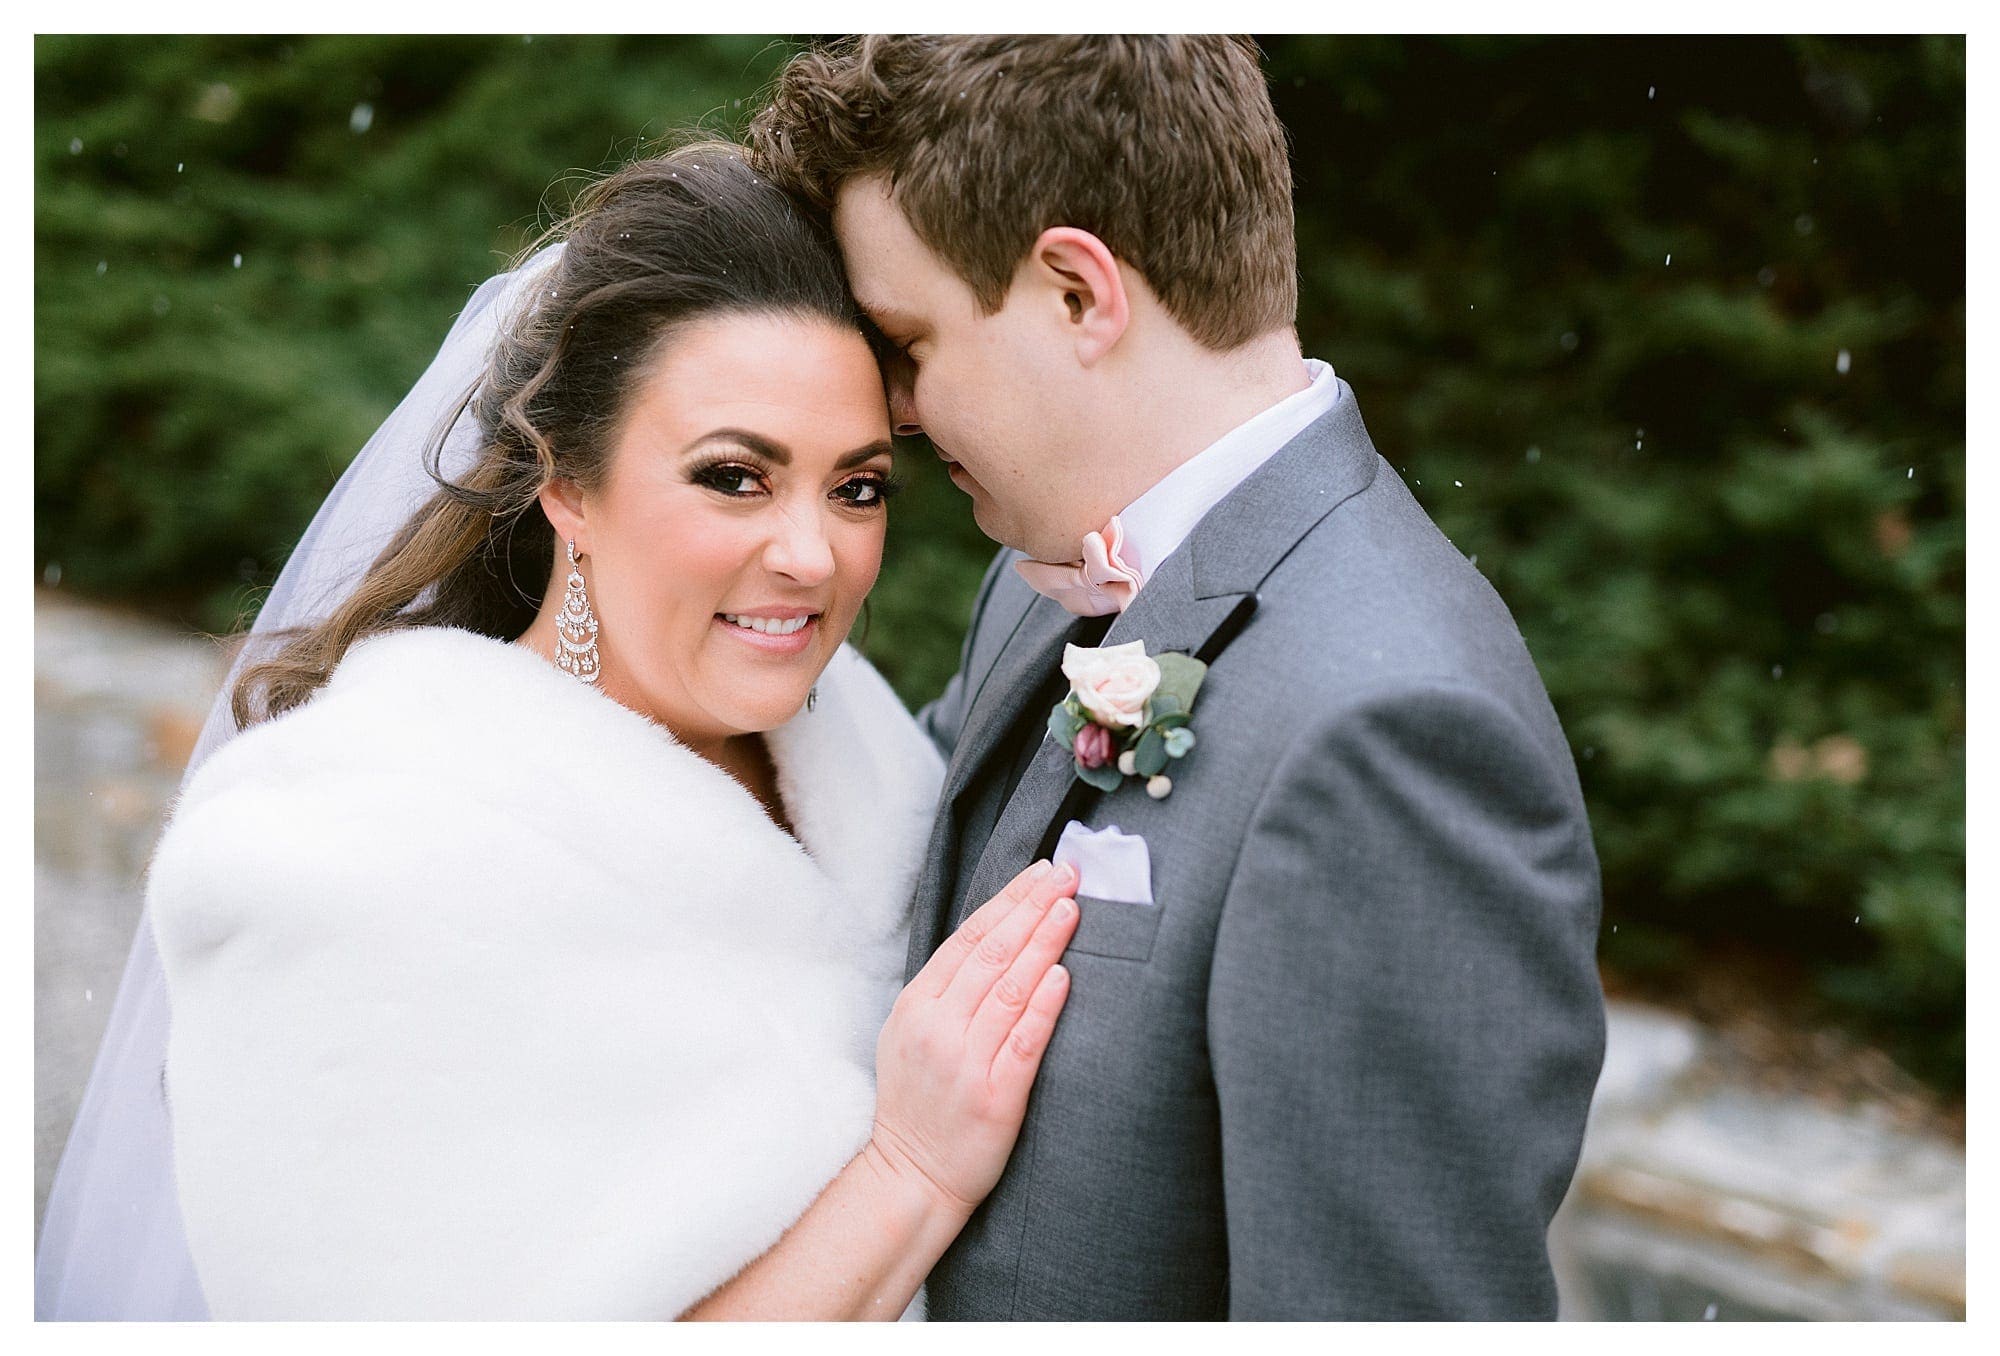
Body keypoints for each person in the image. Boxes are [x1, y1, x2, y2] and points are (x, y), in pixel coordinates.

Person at [39, 141, 1083, 1320]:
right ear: (567, 486)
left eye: (855, 487)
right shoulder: (339, 864)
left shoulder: (866, 753)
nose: (813, 555)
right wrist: (910, 1170)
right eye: (735, 476)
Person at [745, 35, 1608, 1319]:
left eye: (910, 344)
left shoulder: (1394, 734)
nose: (902, 413)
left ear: (1077, 293)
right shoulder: (1039, 575)